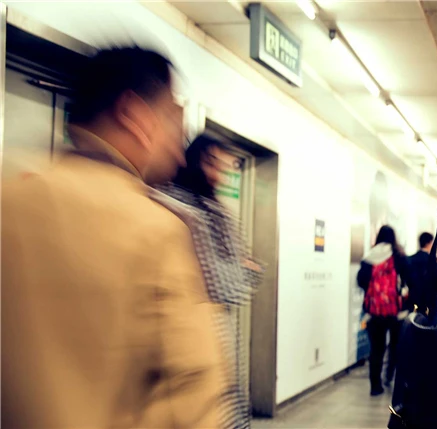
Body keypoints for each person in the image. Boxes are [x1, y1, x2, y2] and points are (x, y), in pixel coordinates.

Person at [1, 46, 225, 428]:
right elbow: (194, 397)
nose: (180, 153)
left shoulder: (9, 203)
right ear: (135, 116)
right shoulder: (157, 230)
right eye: (174, 124)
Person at [153, 135, 263, 429]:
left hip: (197, 334)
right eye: (212, 163)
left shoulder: (200, 207)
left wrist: (240, 268)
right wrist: (245, 268)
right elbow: (225, 286)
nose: (218, 175)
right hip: (196, 333)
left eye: (223, 167)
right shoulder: (195, 211)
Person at [357, 225, 409, 396]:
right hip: (396, 311)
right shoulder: (399, 256)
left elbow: (361, 281)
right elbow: (409, 279)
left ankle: (375, 385)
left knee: (376, 349)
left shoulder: (369, 257)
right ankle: (389, 375)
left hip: (374, 312)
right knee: (395, 346)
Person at [407, 232, 437, 325]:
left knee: (414, 324)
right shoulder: (431, 260)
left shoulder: (410, 259)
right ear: (429, 243)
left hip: (414, 297)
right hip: (429, 299)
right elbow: (435, 280)